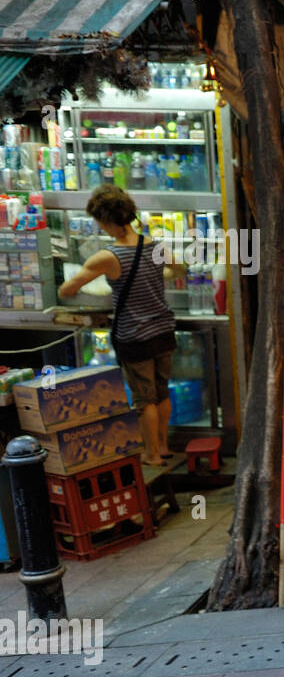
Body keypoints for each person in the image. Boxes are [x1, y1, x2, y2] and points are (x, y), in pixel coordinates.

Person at [58, 185, 181, 466]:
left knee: (143, 399)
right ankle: (162, 446)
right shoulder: (154, 245)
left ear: (106, 221)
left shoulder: (107, 257)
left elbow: (67, 289)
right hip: (163, 330)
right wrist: (157, 277)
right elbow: (179, 269)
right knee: (161, 392)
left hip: (135, 336)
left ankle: (150, 454)